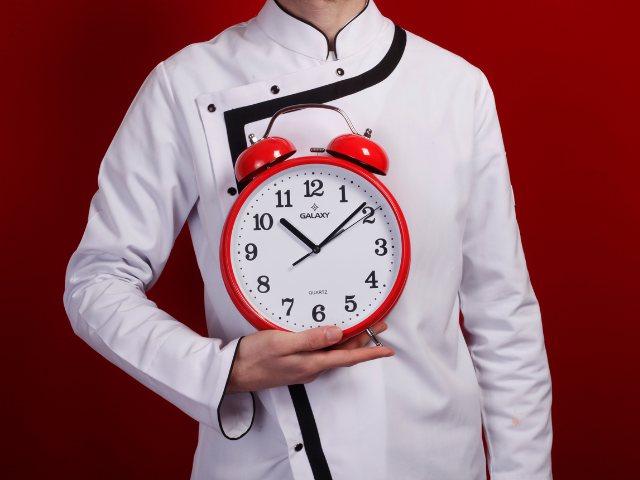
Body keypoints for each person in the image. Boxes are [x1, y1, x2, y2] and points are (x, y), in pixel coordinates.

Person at [63, 0, 553, 478]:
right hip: (265, 459)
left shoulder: (455, 87)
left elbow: (503, 314)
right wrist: (221, 370)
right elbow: (97, 280)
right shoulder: (185, 83)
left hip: (432, 455)